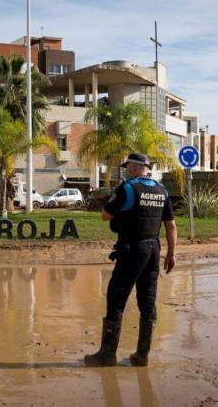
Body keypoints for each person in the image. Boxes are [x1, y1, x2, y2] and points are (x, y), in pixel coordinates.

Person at [84, 153, 177, 367]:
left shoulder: (127, 188)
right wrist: (171, 254)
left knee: (116, 298)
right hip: (153, 250)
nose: (127, 170)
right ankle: (142, 355)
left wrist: (121, 215)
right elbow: (171, 225)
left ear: (135, 168)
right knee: (147, 301)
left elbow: (105, 215)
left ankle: (107, 355)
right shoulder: (161, 190)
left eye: (128, 167)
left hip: (132, 249)